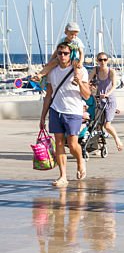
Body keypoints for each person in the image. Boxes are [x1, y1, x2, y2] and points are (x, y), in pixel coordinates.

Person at [40, 42, 91, 187]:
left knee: (73, 143)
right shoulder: (52, 71)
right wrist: (43, 116)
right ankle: (63, 176)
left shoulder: (80, 70)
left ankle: (80, 160)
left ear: (71, 55)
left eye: (65, 53)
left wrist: (80, 82)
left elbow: (87, 95)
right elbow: (48, 95)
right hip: (56, 110)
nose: (62, 56)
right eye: (60, 53)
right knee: (59, 143)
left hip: (73, 111)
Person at [88, 52, 124, 152]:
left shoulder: (111, 71)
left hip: (109, 100)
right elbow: (88, 80)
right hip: (99, 100)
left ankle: (117, 140)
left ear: (107, 60)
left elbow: (113, 86)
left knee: (107, 125)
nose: (102, 61)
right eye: (100, 60)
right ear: (97, 61)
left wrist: (107, 94)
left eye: (104, 59)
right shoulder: (96, 70)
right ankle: (99, 145)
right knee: (96, 124)